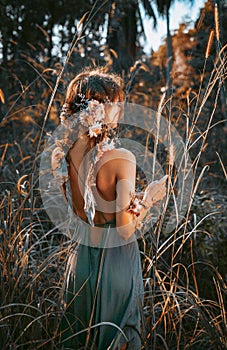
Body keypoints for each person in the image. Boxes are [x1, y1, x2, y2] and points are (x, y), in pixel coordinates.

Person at [51, 67, 167, 349]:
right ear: (99, 108)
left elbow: (86, 213)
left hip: (81, 264)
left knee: (80, 339)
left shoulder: (67, 155)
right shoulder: (121, 157)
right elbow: (125, 230)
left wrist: (132, 201)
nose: (120, 108)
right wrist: (150, 198)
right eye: (115, 102)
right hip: (115, 263)